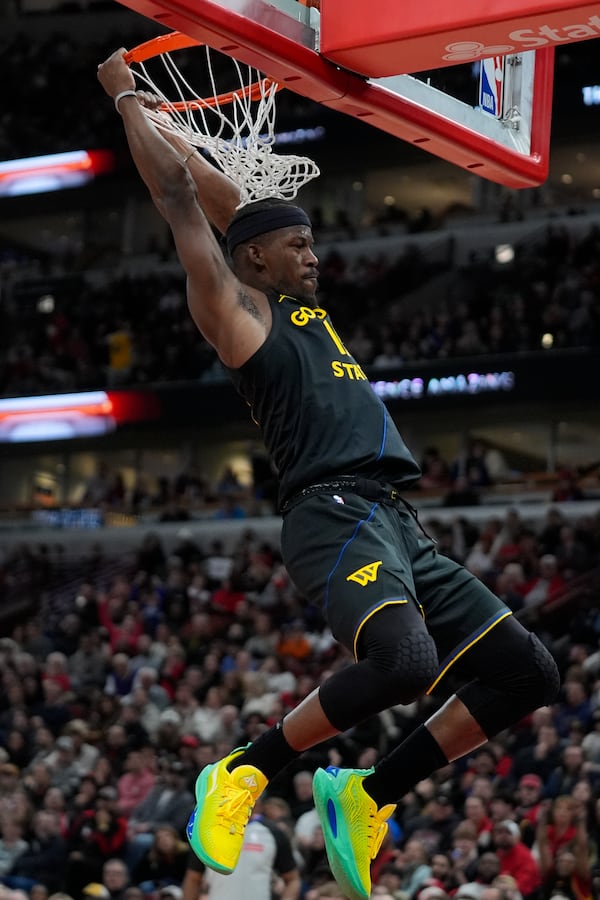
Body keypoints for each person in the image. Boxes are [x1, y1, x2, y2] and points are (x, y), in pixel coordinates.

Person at [97, 48, 560, 900]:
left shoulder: (303, 302)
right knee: (406, 660)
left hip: (396, 517)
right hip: (331, 511)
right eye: (297, 246)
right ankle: (244, 770)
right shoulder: (238, 316)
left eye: (312, 242)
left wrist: (178, 128)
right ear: (256, 264)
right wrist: (126, 98)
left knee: (530, 674)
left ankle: (367, 797)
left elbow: (235, 203)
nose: (314, 255)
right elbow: (181, 204)